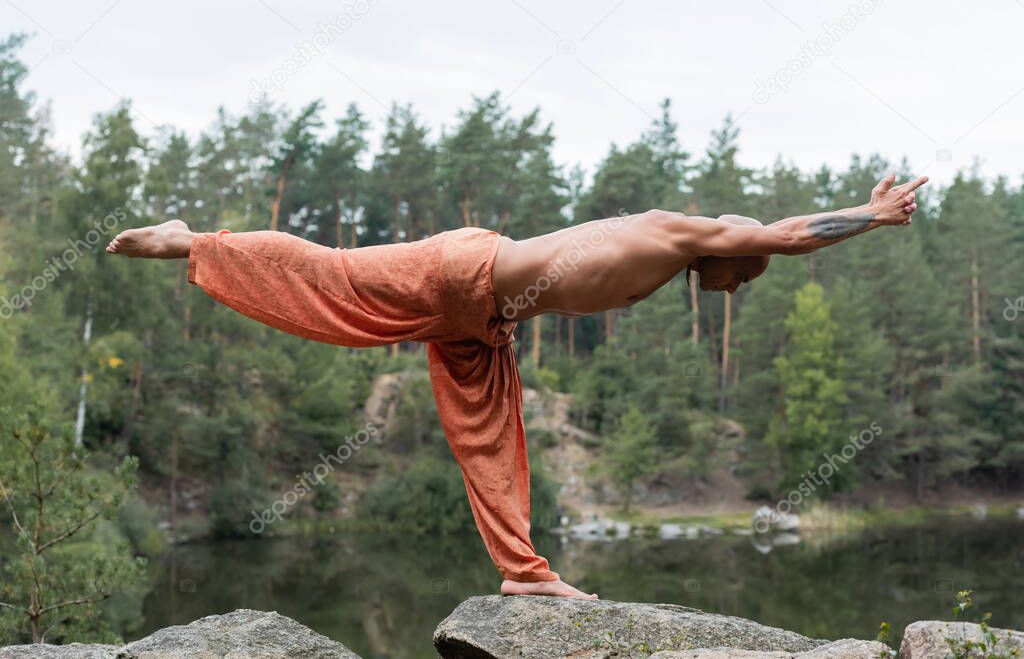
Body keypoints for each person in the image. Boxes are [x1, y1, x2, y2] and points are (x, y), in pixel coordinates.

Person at [106, 172, 926, 599]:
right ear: (733, 245)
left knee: (492, 436)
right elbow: (785, 234)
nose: (745, 280)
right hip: (461, 270)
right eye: (748, 272)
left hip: (480, 312)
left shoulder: (677, 251)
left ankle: (523, 571)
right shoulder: (693, 232)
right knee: (334, 276)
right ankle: (193, 241)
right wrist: (870, 214)